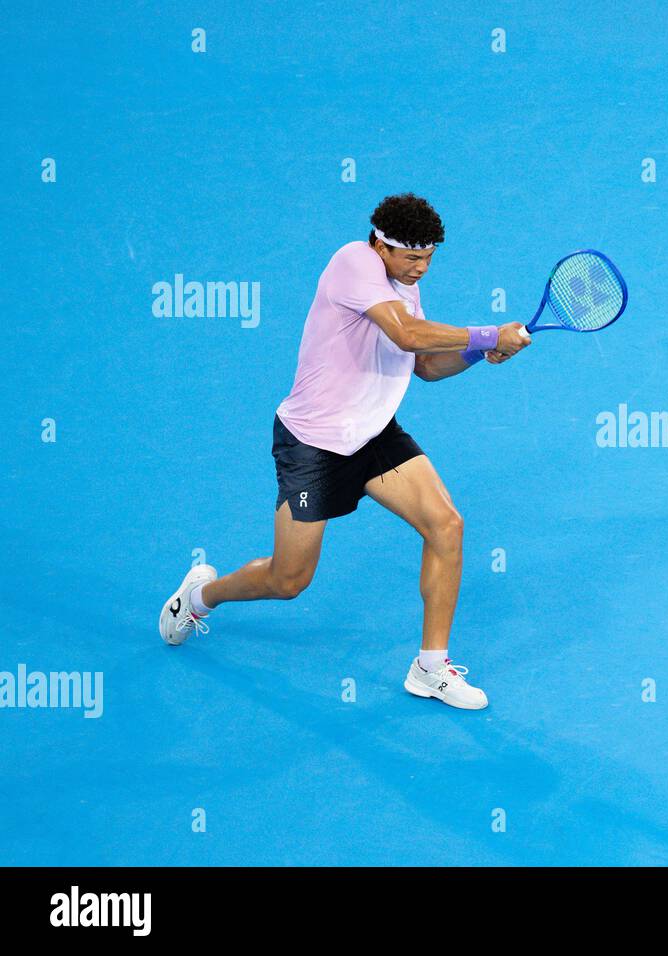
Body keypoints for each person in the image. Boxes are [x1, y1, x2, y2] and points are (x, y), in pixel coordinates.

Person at [158, 193, 530, 710]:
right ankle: (200, 597)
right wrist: (489, 330)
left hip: (374, 434)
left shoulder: (405, 287)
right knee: (289, 581)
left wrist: (476, 352)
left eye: (429, 258)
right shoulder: (352, 262)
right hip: (314, 444)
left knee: (446, 525)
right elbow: (405, 335)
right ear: (380, 243)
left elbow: (424, 364)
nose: (420, 268)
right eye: (410, 258)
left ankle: (430, 666)